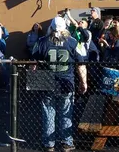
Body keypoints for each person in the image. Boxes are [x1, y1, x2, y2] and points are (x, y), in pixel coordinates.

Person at [32, 16, 87, 152]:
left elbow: (33, 64)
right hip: (66, 82)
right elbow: (81, 64)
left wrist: (33, 81)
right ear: (65, 28)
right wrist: (83, 82)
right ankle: (66, 142)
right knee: (65, 113)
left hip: (47, 82)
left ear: (50, 27)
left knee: (48, 114)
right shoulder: (74, 42)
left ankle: (49, 144)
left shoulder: (41, 42)